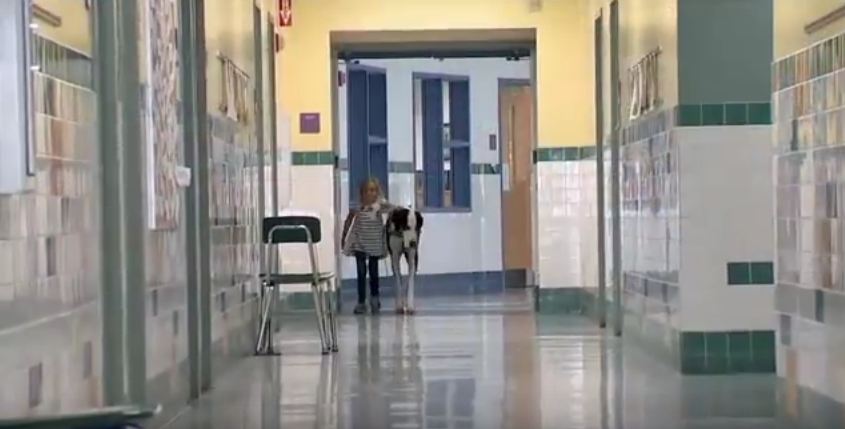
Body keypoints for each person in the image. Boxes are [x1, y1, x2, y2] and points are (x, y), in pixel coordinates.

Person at [342, 178, 395, 314]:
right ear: (362, 193)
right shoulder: (358, 208)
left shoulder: (379, 207)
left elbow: (393, 208)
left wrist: (382, 200)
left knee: (373, 272)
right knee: (361, 273)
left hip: (374, 244)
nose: (370, 194)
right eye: (367, 191)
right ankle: (361, 302)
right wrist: (343, 237)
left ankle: (374, 299)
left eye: (373, 190)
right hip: (360, 244)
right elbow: (348, 221)